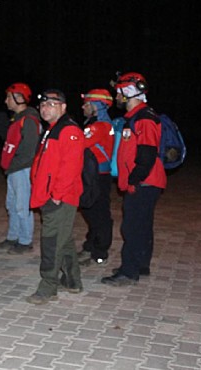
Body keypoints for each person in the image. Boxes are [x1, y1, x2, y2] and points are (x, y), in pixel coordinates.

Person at [101, 72, 166, 286]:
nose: (116, 97)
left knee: (132, 227)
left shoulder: (144, 118)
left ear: (128, 92)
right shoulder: (137, 117)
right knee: (142, 225)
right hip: (145, 181)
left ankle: (129, 272)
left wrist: (133, 180)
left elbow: (146, 155)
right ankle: (140, 265)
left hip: (143, 181)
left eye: (119, 92)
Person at [27, 89, 85, 305]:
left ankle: (48, 286)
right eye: (43, 105)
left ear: (63, 107)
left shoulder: (69, 130)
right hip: (49, 195)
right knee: (64, 239)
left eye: (51, 104)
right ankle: (72, 280)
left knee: (51, 242)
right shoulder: (52, 130)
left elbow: (70, 166)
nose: (45, 108)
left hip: (60, 197)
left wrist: (57, 196)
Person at [0, 83, 41, 254]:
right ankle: (13, 237)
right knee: (12, 205)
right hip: (14, 169)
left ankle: (25, 241)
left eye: (9, 97)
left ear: (19, 98)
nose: (6, 101)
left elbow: (28, 150)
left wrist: (13, 165)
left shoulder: (28, 120)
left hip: (22, 169)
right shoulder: (18, 119)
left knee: (22, 206)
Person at [77, 89, 115, 267]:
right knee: (90, 211)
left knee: (98, 214)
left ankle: (100, 252)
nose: (83, 107)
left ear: (96, 106)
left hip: (97, 176)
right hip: (94, 174)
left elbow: (78, 145)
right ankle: (91, 245)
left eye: (86, 103)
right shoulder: (99, 125)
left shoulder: (99, 127)